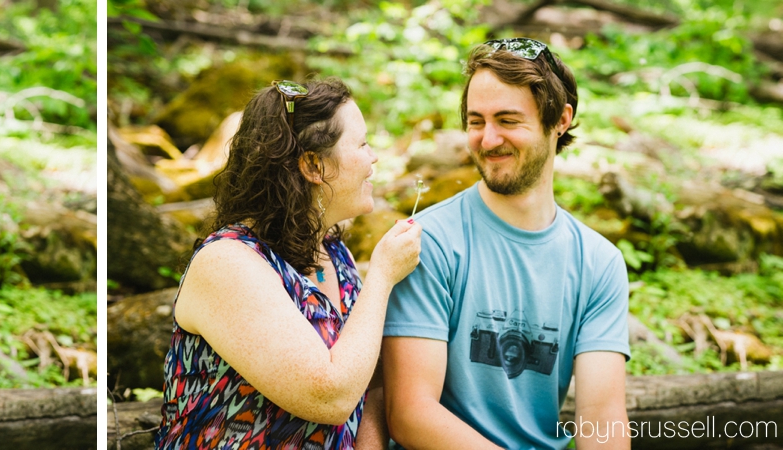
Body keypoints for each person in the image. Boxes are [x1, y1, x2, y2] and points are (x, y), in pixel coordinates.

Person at [382, 37, 630, 449]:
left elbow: (601, 417)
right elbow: (410, 414)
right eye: (476, 121)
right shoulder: (429, 242)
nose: (489, 139)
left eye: (508, 120)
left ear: (561, 120)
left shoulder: (598, 263)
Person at [154, 78, 422, 449]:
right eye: (361, 144)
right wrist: (383, 276)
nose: (373, 157)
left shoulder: (332, 252)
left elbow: (370, 381)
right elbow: (329, 398)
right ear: (314, 165)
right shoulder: (227, 263)